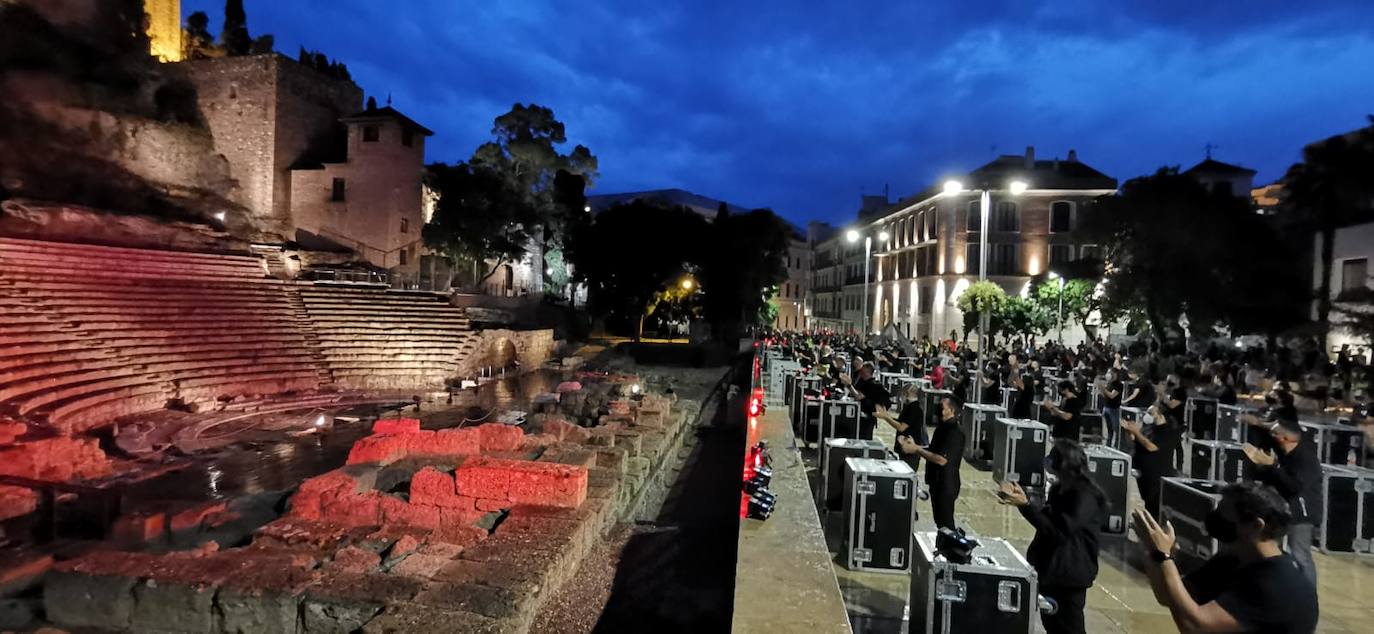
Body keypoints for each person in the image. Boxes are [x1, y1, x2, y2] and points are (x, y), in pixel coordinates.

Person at [1132, 482, 1319, 633]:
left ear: (1256, 526)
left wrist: (1165, 557)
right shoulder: (1232, 559)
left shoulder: (1276, 584)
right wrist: (1152, 553)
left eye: (1223, 513)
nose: (1215, 518)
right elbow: (1168, 597)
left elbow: (1195, 626)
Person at [998, 440, 1105, 634]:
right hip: (1050, 571)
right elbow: (1045, 519)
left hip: (1069, 574)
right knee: (1052, 626)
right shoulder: (1059, 489)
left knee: (1070, 628)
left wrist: (1025, 506)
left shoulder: (1084, 495)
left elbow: (1059, 531)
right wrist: (1025, 501)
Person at [1241, 416, 1323, 585]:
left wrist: (1273, 465)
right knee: (1273, 550)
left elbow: (1294, 486)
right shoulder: (1287, 455)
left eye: (1274, 433)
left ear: (1284, 438)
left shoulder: (1305, 458)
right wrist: (1260, 465)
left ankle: (1309, 595)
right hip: (1282, 511)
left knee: (1301, 556)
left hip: (1302, 514)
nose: (1272, 436)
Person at [898, 393, 964, 530]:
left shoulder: (954, 432)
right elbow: (934, 449)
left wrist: (916, 449)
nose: (938, 408)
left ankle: (954, 549)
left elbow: (941, 459)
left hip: (946, 484)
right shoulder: (942, 427)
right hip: (936, 482)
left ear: (951, 410)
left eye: (942, 406)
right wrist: (915, 446)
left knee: (946, 524)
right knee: (940, 523)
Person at [1122, 403, 1183, 519]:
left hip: (1157, 476)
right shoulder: (1148, 428)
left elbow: (1151, 447)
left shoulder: (1168, 431)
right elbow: (1133, 442)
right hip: (1144, 475)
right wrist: (1128, 432)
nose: (1147, 416)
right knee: (1147, 502)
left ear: (1160, 415)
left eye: (1151, 413)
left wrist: (1136, 432)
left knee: (1155, 506)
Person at [875, 385, 929, 472]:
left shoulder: (914, 408)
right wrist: (887, 416)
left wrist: (886, 417)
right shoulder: (910, 407)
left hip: (910, 449)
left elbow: (901, 427)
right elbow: (900, 422)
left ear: (907, 393)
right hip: (904, 448)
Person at [839, 362, 891, 440]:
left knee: (864, 437)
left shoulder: (871, 384)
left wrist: (849, 385)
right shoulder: (868, 382)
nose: (860, 372)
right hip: (868, 415)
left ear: (867, 371)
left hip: (867, 416)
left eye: (862, 370)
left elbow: (858, 396)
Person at [1099, 368, 1124, 448]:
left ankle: (1116, 446)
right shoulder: (1109, 383)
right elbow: (1106, 395)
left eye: (1110, 372)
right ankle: (1108, 446)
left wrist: (1103, 388)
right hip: (1106, 407)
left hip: (1114, 409)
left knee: (1115, 429)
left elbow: (1112, 396)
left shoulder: (1118, 385)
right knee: (1109, 430)